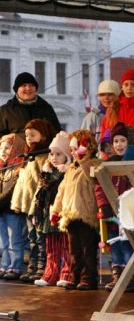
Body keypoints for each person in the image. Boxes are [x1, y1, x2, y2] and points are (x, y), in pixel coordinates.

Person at [51, 130, 101, 290]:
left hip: (86, 214)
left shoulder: (93, 164)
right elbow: (61, 192)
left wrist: (85, 159)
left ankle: (88, 278)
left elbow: (94, 179)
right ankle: (75, 276)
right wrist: (55, 211)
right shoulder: (71, 169)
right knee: (74, 250)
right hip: (70, 214)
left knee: (88, 249)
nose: (73, 153)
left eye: (76, 148)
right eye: (71, 150)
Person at [11, 119, 57, 283]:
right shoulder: (29, 158)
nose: (29, 138)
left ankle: (42, 268)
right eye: (27, 135)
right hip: (28, 206)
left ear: (43, 135)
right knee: (31, 238)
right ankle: (32, 267)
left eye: (32, 135)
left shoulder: (44, 158)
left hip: (38, 207)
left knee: (40, 237)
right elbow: (22, 184)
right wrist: (17, 203)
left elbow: (43, 184)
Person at [93, 123, 134, 291]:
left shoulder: (133, 162)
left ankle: (129, 276)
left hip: (127, 212)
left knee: (126, 244)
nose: (119, 144)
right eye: (115, 141)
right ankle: (117, 274)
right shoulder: (107, 165)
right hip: (111, 213)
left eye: (122, 140)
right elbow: (99, 186)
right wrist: (103, 205)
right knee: (114, 244)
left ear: (129, 142)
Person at [31, 131, 72, 287]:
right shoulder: (46, 173)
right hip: (48, 215)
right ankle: (50, 274)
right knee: (51, 248)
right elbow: (39, 196)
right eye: (52, 154)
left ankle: (67, 274)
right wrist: (37, 213)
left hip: (61, 214)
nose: (54, 157)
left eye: (58, 154)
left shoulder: (66, 173)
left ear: (66, 156)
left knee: (66, 246)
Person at [0, 72, 62, 137]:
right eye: (24, 85)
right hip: (16, 147)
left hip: (43, 147)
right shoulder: (5, 111)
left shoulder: (46, 108)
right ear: (17, 90)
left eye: (31, 85)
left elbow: (57, 132)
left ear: (36, 89)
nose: (28, 88)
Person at [0, 134, 26, 280]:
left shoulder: (17, 168)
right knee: (3, 241)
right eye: (1, 148)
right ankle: (5, 264)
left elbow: (11, 191)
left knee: (14, 240)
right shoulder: (1, 167)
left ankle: (15, 266)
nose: (3, 151)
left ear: (15, 148)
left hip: (11, 210)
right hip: (1, 210)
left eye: (7, 148)